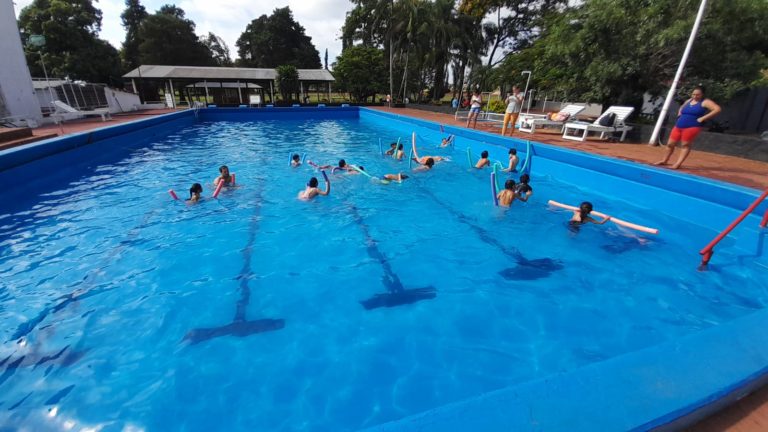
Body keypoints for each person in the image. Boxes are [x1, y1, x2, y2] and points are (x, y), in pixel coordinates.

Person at [654, 86, 721, 170]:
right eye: (693, 94)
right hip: (679, 126)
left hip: (692, 127)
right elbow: (682, 107)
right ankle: (664, 160)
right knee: (670, 144)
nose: (695, 96)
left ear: (702, 94)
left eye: (698, 95)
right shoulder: (689, 101)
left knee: (685, 145)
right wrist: (679, 114)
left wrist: (703, 118)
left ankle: (678, 164)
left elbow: (717, 109)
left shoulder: (705, 102)